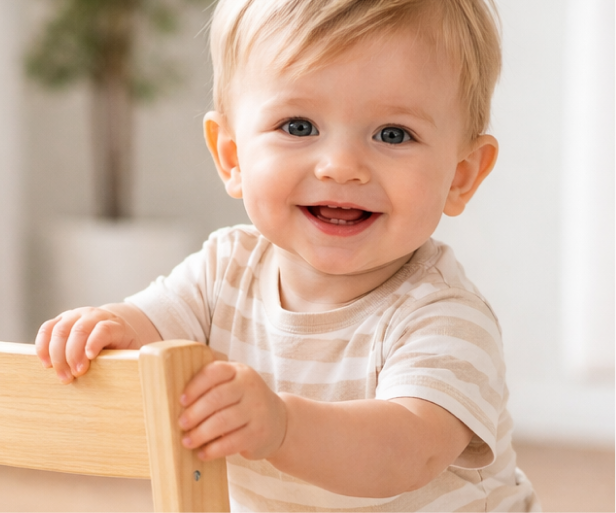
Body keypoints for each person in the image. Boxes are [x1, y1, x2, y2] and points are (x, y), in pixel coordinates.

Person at [35, 0, 541, 511]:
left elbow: (404, 453)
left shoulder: (444, 318)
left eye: (393, 134)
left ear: (461, 175)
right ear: (232, 156)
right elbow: (149, 330)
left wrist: (283, 426)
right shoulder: (223, 269)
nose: (341, 167)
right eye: (299, 127)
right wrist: (105, 327)